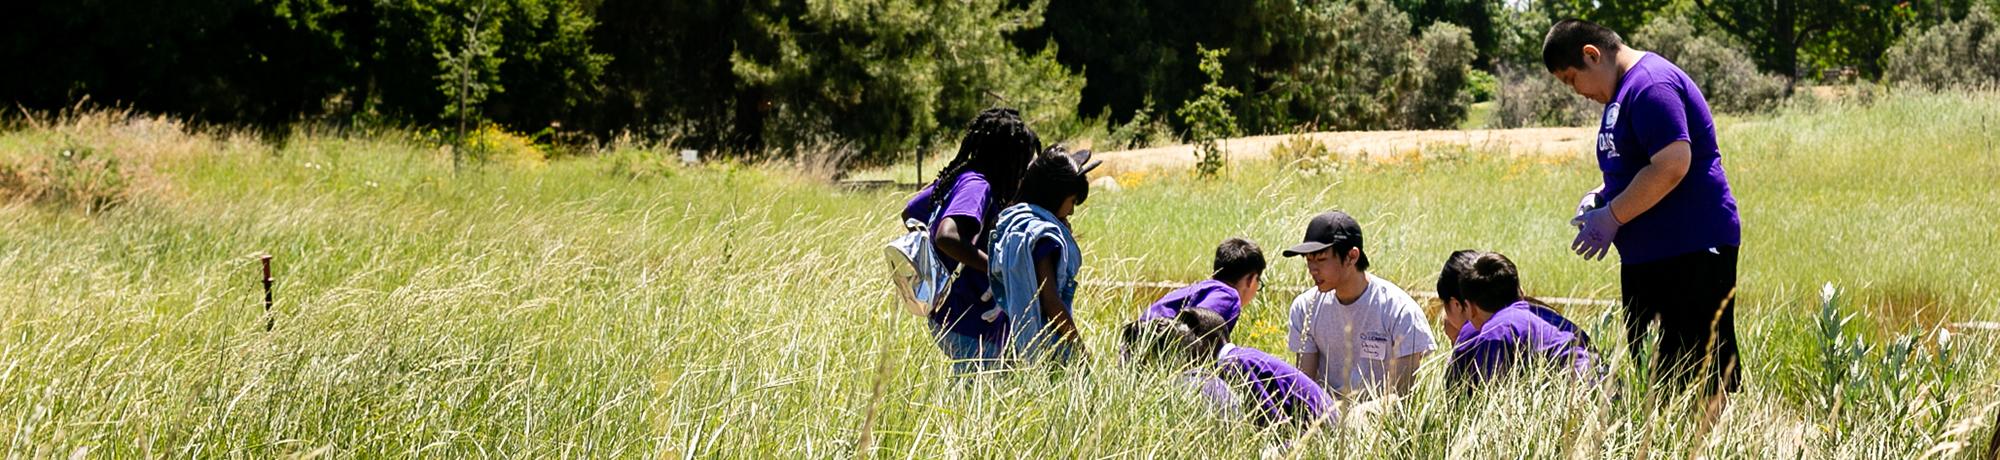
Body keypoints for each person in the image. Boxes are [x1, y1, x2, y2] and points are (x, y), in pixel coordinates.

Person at [1543, 19, 1743, 409]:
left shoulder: (1650, 84)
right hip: (1650, 256)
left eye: (1571, 80)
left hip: (1690, 249)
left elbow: (1671, 163)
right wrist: (1600, 197)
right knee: (1654, 371)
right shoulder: (1621, 94)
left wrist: (1613, 215)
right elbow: (1636, 164)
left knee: (1699, 371)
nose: (1577, 93)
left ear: (1591, 54)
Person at [900, 108, 1040, 373]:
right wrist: (997, 268)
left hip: (950, 312)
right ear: (1006, 158)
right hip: (969, 318)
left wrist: (936, 265)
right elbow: (947, 236)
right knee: (979, 399)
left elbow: (911, 212)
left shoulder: (960, 176)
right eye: (1021, 163)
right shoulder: (979, 186)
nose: (1022, 173)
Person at [1282, 210, 1436, 401]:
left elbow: (1400, 397)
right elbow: (1304, 390)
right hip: (1322, 418)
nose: (1313, 269)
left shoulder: (1400, 311)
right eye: (1309, 260)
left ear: (1352, 256)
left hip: (1378, 422)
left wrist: (1356, 418)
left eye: (1321, 259)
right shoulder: (1305, 308)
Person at [1122, 309, 1334, 427]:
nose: (1184, 353)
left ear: (1203, 340)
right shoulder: (1242, 357)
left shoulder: (1234, 364)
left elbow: (1274, 421)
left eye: (1185, 342)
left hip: (1322, 426)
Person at [990, 147, 1098, 364]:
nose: (1072, 211)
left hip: (1008, 332)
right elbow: (1050, 301)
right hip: (1046, 342)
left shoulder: (1014, 221)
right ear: (1054, 196)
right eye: (1072, 202)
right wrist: (1078, 346)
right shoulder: (1042, 237)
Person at [1441, 252, 1599, 389]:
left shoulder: (1495, 332)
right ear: (1519, 291)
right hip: (1603, 389)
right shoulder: (1545, 315)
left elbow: (1491, 399)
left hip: (1577, 396)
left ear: (1469, 307)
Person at [1138, 238, 1265, 338]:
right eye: (1258, 281)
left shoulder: (1204, 289)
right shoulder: (1228, 296)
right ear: (1251, 279)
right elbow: (1197, 330)